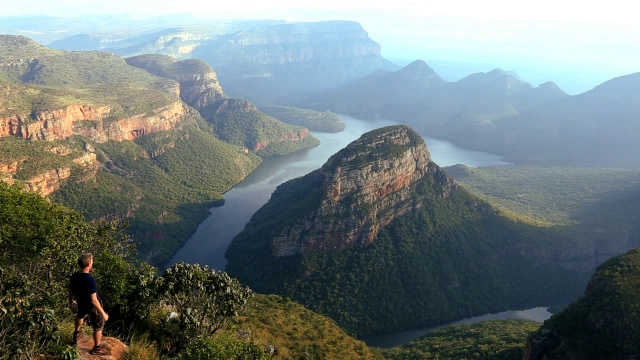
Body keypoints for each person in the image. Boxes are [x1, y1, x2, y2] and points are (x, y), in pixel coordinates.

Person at [68, 253, 109, 355]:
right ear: (88, 264)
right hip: (92, 307)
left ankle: (76, 334)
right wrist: (103, 313)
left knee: (80, 315)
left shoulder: (74, 276)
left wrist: (70, 301)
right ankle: (96, 348)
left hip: (80, 302)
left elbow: (71, 291)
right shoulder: (90, 280)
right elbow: (94, 300)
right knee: (98, 325)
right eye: (92, 261)